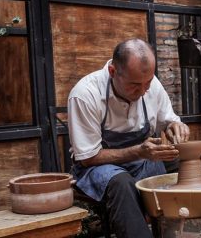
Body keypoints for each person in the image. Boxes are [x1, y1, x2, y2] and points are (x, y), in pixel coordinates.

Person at [68, 38, 189, 238]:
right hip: (97, 167)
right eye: (134, 85)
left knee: (186, 166)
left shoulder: (152, 86)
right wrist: (137, 151)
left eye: (147, 83)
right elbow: (87, 157)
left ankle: (179, 232)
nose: (142, 91)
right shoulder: (85, 94)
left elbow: (167, 121)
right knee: (121, 183)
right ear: (113, 72)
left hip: (143, 158)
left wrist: (175, 127)